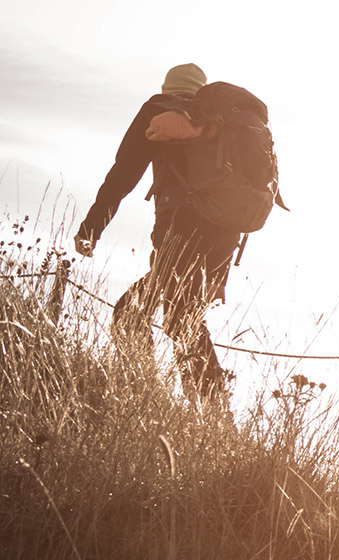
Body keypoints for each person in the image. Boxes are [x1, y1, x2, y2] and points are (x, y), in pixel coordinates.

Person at [73, 63, 242, 413]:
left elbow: (123, 174)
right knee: (180, 316)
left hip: (181, 229)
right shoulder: (221, 126)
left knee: (143, 315)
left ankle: (174, 405)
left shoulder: (161, 110)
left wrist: (91, 228)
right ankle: (199, 407)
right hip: (226, 238)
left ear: (169, 88)